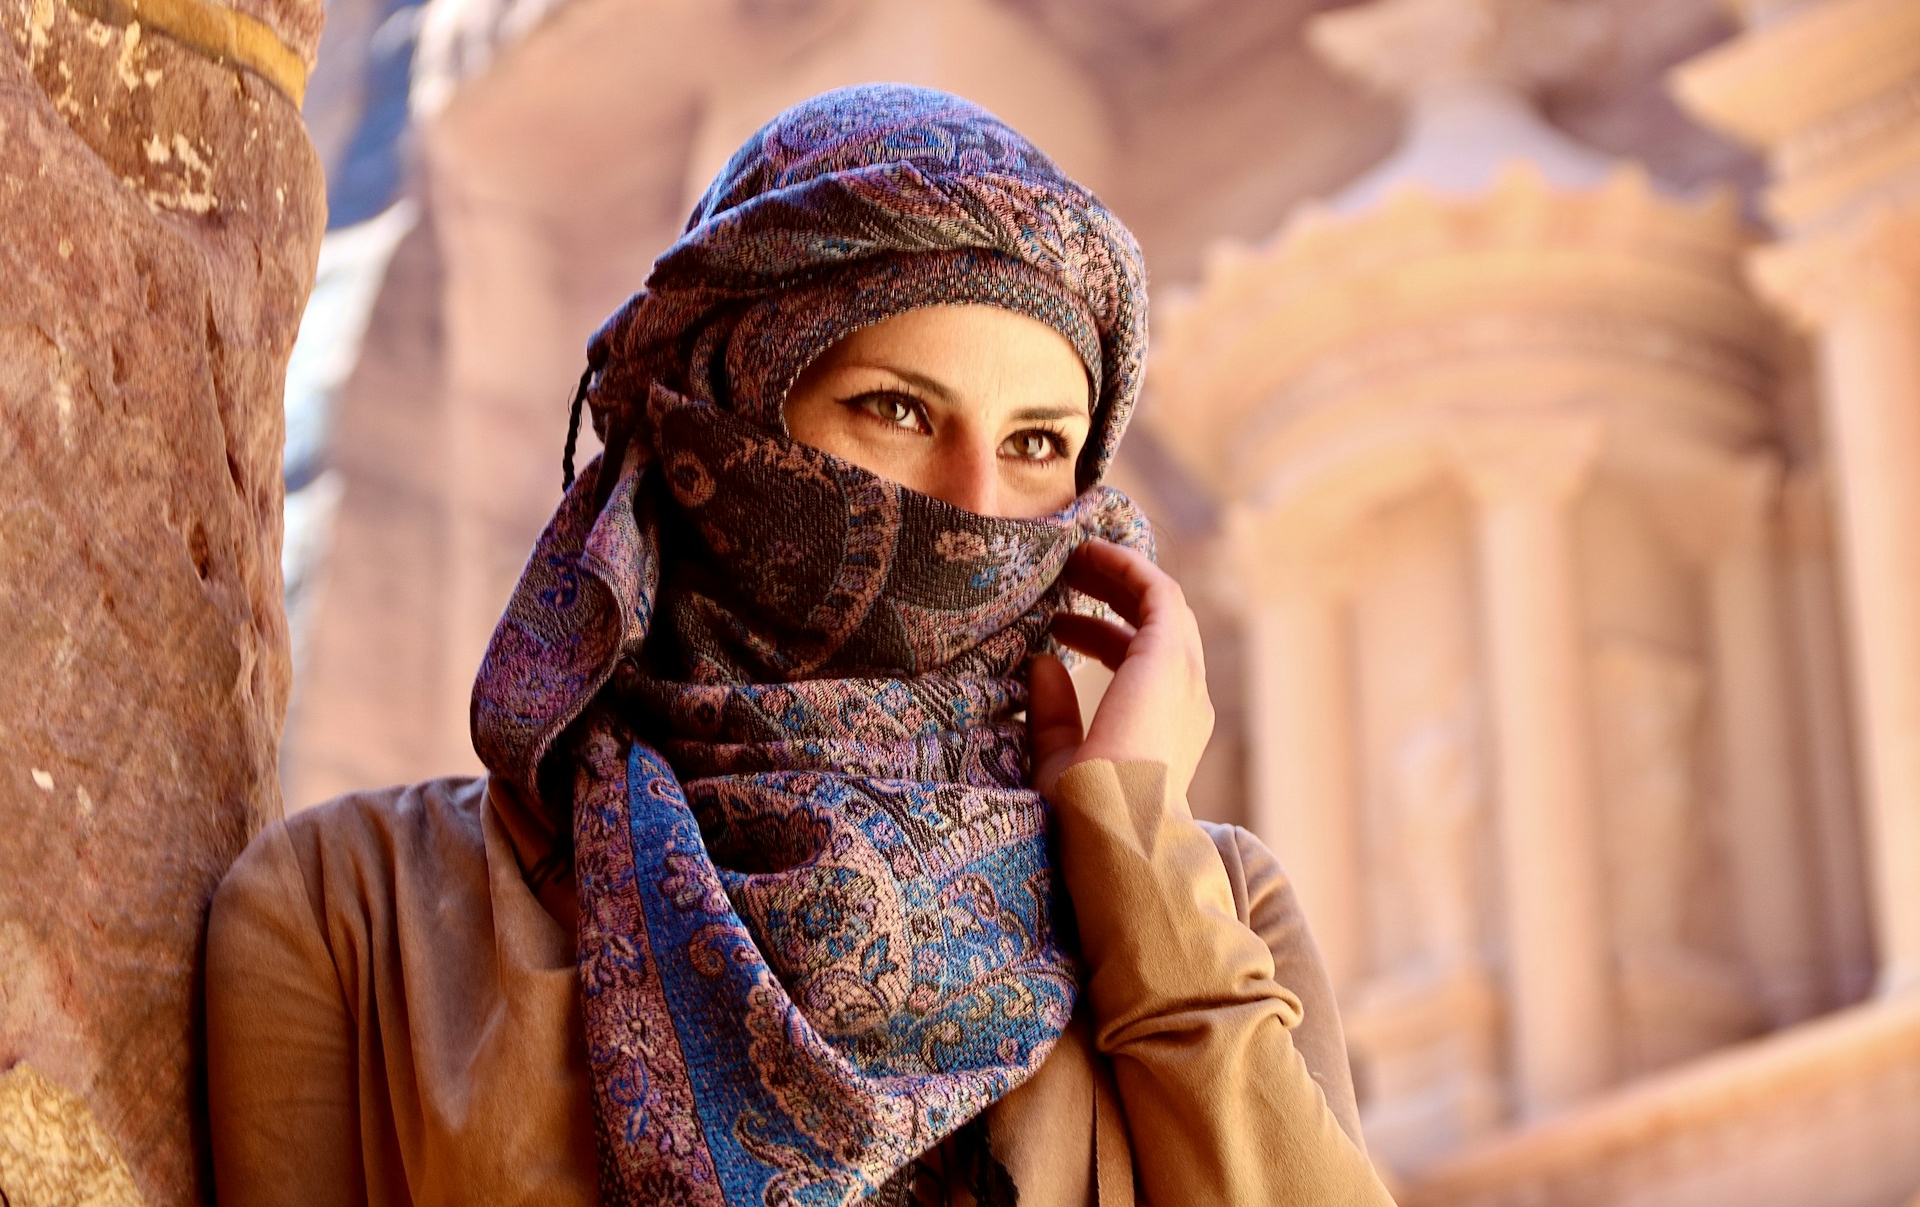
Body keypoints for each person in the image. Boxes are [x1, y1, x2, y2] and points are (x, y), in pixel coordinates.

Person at [205, 83, 1397, 1206]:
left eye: (1039, 443)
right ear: (718, 424)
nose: (975, 505)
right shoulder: (359, 917)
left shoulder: (1217, 908)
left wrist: (1135, 853)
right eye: (895, 410)